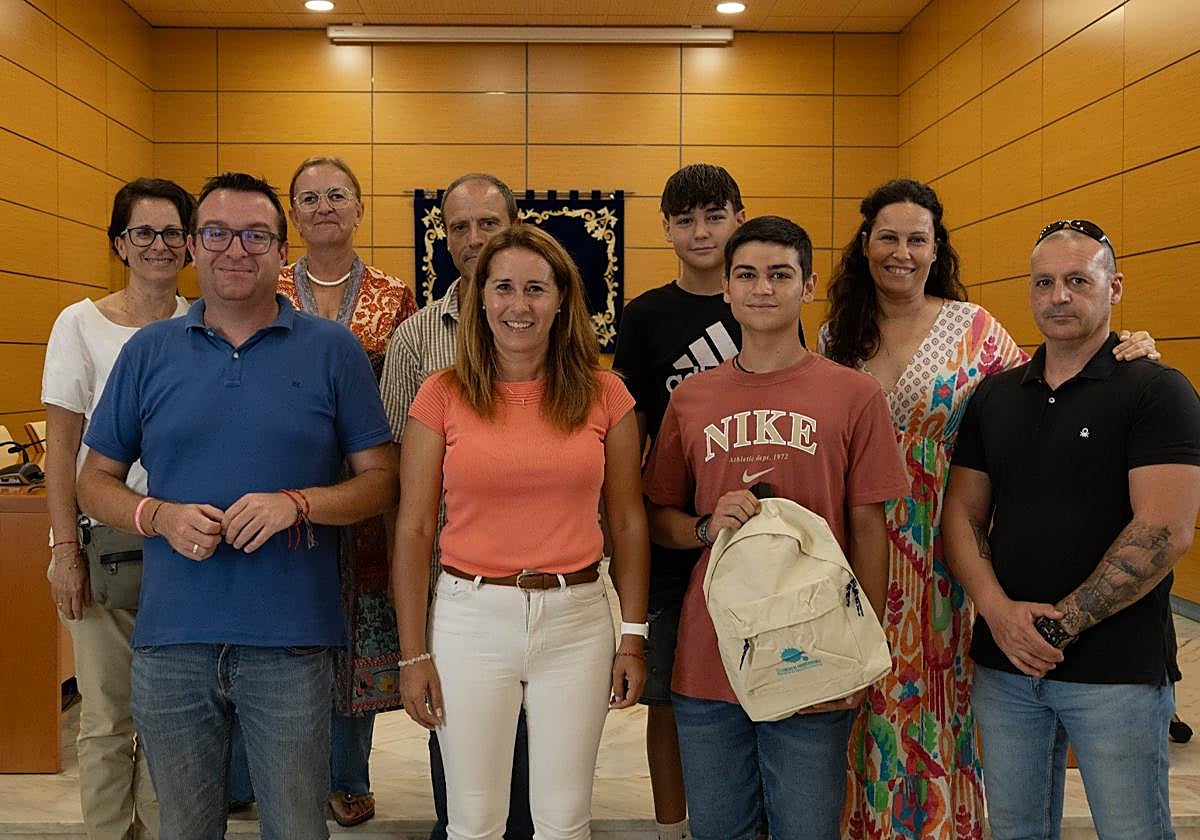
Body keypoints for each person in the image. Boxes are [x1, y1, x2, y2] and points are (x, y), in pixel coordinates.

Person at [819, 179, 1159, 838]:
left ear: (935, 248)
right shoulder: (837, 334)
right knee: (863, 701)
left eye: (917, 239)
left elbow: (1049, 387)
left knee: (945, 702)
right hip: (857, 547)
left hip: (952, 555)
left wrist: (1128, 349)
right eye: (888, 237)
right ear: (865, 244)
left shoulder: (974, 328)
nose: (902, 252)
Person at [75, 172, 399, 840]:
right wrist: (157, 515)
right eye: (218, 233)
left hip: (292, 642)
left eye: (256, 236)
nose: (235, 250)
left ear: (282, 250)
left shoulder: (333, 350)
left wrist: (298, 504)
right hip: (173, 640)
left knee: (297, 827)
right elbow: (94, 481)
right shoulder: (149, 352)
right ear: (194, 246)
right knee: (186, 828)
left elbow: (380, 482)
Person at [644, 215, 908, 839]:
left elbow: (869, 530)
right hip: (711, 658)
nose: (762, 289)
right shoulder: (691, 398)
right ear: (726, 289)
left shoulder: (854, 395)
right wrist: (705, 527)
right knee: (721, 831)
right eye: (746, 275)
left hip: (814, 655)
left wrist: (858, 649)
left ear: (808, 286)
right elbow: (657, 518)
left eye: (780, 275)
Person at [943, 219, 1200, 838]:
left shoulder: (1156, 390)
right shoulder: (996, 396)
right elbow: (962, 514)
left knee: (1132, 831)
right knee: (1015, 830)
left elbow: (1165, 531)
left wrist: (1058, 627)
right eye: (1044, 282)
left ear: (1115, 288)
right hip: (1005, 667)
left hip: (1117, 672)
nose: (1059, 295)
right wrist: (999, 615)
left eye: (1078, 280)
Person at [392, 223, 650, 840]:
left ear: (562, 300)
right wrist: (413, 654)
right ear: (480, 298)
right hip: (471, 618)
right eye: (503, 287)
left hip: (577, 620)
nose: (519, 304)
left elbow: (627, 521)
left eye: (536, 288)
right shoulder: (441, 395)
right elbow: (415, 528)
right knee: (474, 822)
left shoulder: (606, 394)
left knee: (565, 821)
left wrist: (632, 637)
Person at [613, 162, 807, 840]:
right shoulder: (645, 316)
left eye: (715, 217)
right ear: (665, 229)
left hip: (766, 534)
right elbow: (630, 431)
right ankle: (674, 826)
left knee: (776, 681)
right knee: (672, 694)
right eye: (685, 220)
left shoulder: (768, 299)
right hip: (679, 535)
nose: (701, 232)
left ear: (739, 218)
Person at [225, 156, 418, 827]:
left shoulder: (394, 296)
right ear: (291, 217)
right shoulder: (264, 284)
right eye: (308, 198)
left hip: (365, 487)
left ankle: (347, 776)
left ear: (360, 207)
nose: (324, 206)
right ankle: (245, 776)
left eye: (337, 194)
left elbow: (407, 394)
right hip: (273, 480)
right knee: (264, 627)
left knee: (355, 633)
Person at [379, 172, 534, 840]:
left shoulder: (552, 325)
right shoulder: (417, 339)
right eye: (459, 227)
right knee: (462, 754)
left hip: (545, 576)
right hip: (453, 578)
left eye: (488, 224)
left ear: (515, 227)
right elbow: (394, 471)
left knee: (539, 748)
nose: (473, 239)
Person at [42, 178, 195, 840]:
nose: (159, 245)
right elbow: (61, 451)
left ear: (190, 244)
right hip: (101, 544)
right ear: (119, 244)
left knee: (175, 716)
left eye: (172, 233)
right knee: (107, 716)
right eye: (143, 233)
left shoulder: (204, 322)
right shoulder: (80, 324)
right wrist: (64, 552)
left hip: (186, 546)